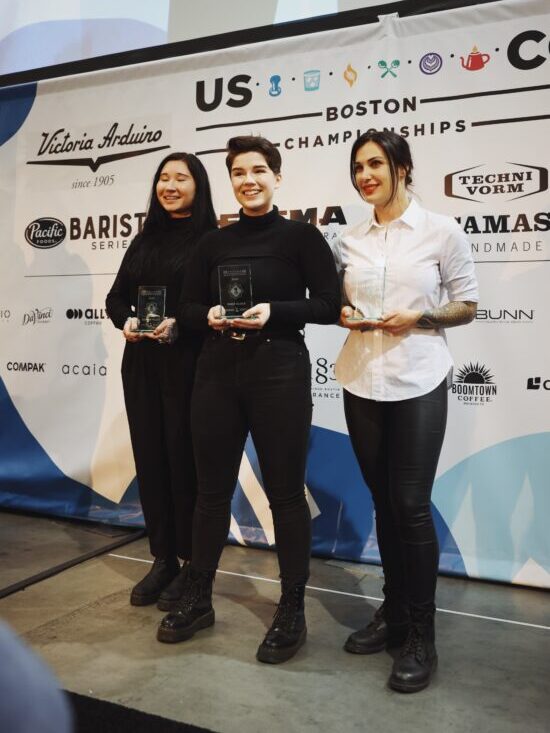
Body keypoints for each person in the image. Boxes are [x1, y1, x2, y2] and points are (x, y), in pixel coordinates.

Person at [156, 135, 340, 663]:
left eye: (258, 170)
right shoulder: (212, 243)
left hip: (278, 369)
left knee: (285, 493)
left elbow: (328, 305)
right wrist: (208, 316)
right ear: (231, 180)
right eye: (238, 172)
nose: (249, 180)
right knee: (210, 493)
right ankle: (197, 598)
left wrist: (273, 312)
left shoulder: (303, 238)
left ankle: (292, 607)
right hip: (216, 371)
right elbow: (188, 308)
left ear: (276, 177)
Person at [335, 130, 478, 692]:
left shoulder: (442, 230)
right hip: (360, 378)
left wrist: (417, 318)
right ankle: (393, 614)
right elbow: (338, 300)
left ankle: (421, 633)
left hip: (419, 377)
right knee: (382, 502)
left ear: (403, 168)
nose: (366, 174)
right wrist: (345, 313)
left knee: (411, 504)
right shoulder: (350, 239)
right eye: (358, 166)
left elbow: (466, 305)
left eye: (376, 164)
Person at [106, 152, 217, 610]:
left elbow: (213, 308)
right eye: (163, 178)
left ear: (199, 186)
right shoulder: (143, 239)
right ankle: (163, 558)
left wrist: (180, 325)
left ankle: (193, 565)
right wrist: (127, 322)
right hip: (142, 366)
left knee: (184, 463)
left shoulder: (211, 240)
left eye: (180, 178)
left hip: (187, 365)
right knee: (151, 462)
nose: (170, 186)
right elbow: (116, 299)